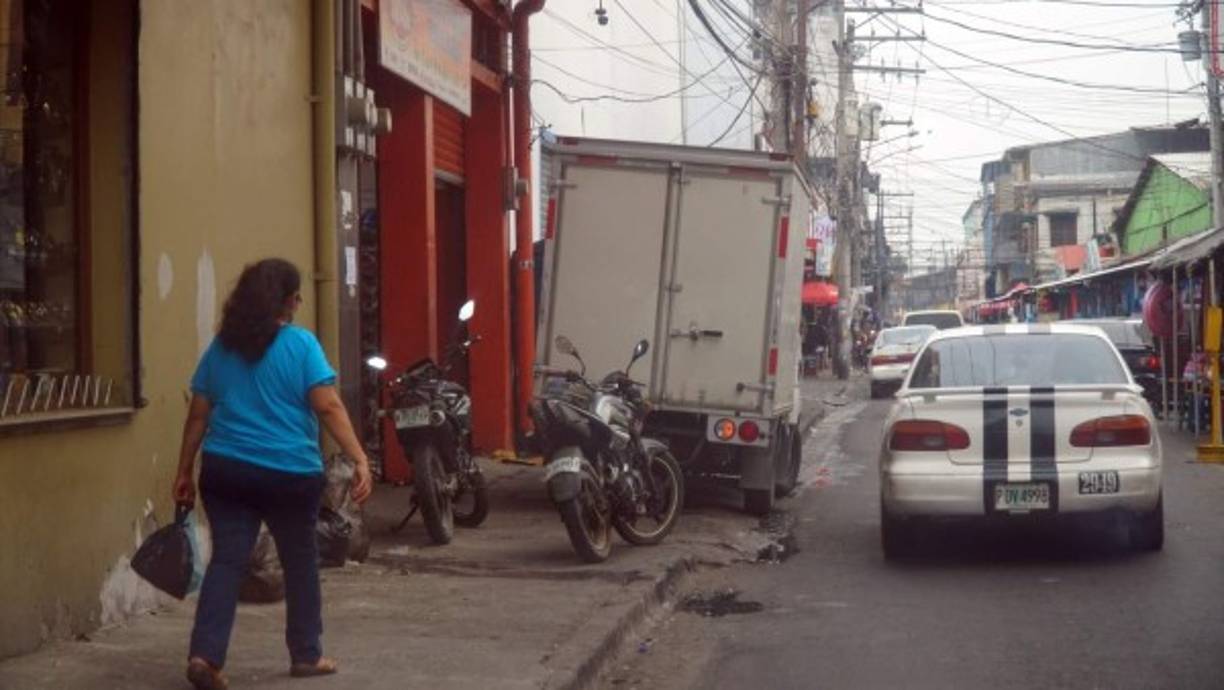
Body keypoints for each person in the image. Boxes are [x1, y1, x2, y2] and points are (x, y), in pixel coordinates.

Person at [172, 258, 373, 690]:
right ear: (285, 301)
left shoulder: (220, 349)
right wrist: (359, 457)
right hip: (289, 474)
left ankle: (205, 656)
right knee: (300, 561)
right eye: (297, 295)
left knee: (226, 561)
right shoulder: (301, 345)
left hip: (226, 471)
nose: (300, 302)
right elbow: (328, 405)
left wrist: (183, 470)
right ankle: (307, 654)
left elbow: (196, 417)